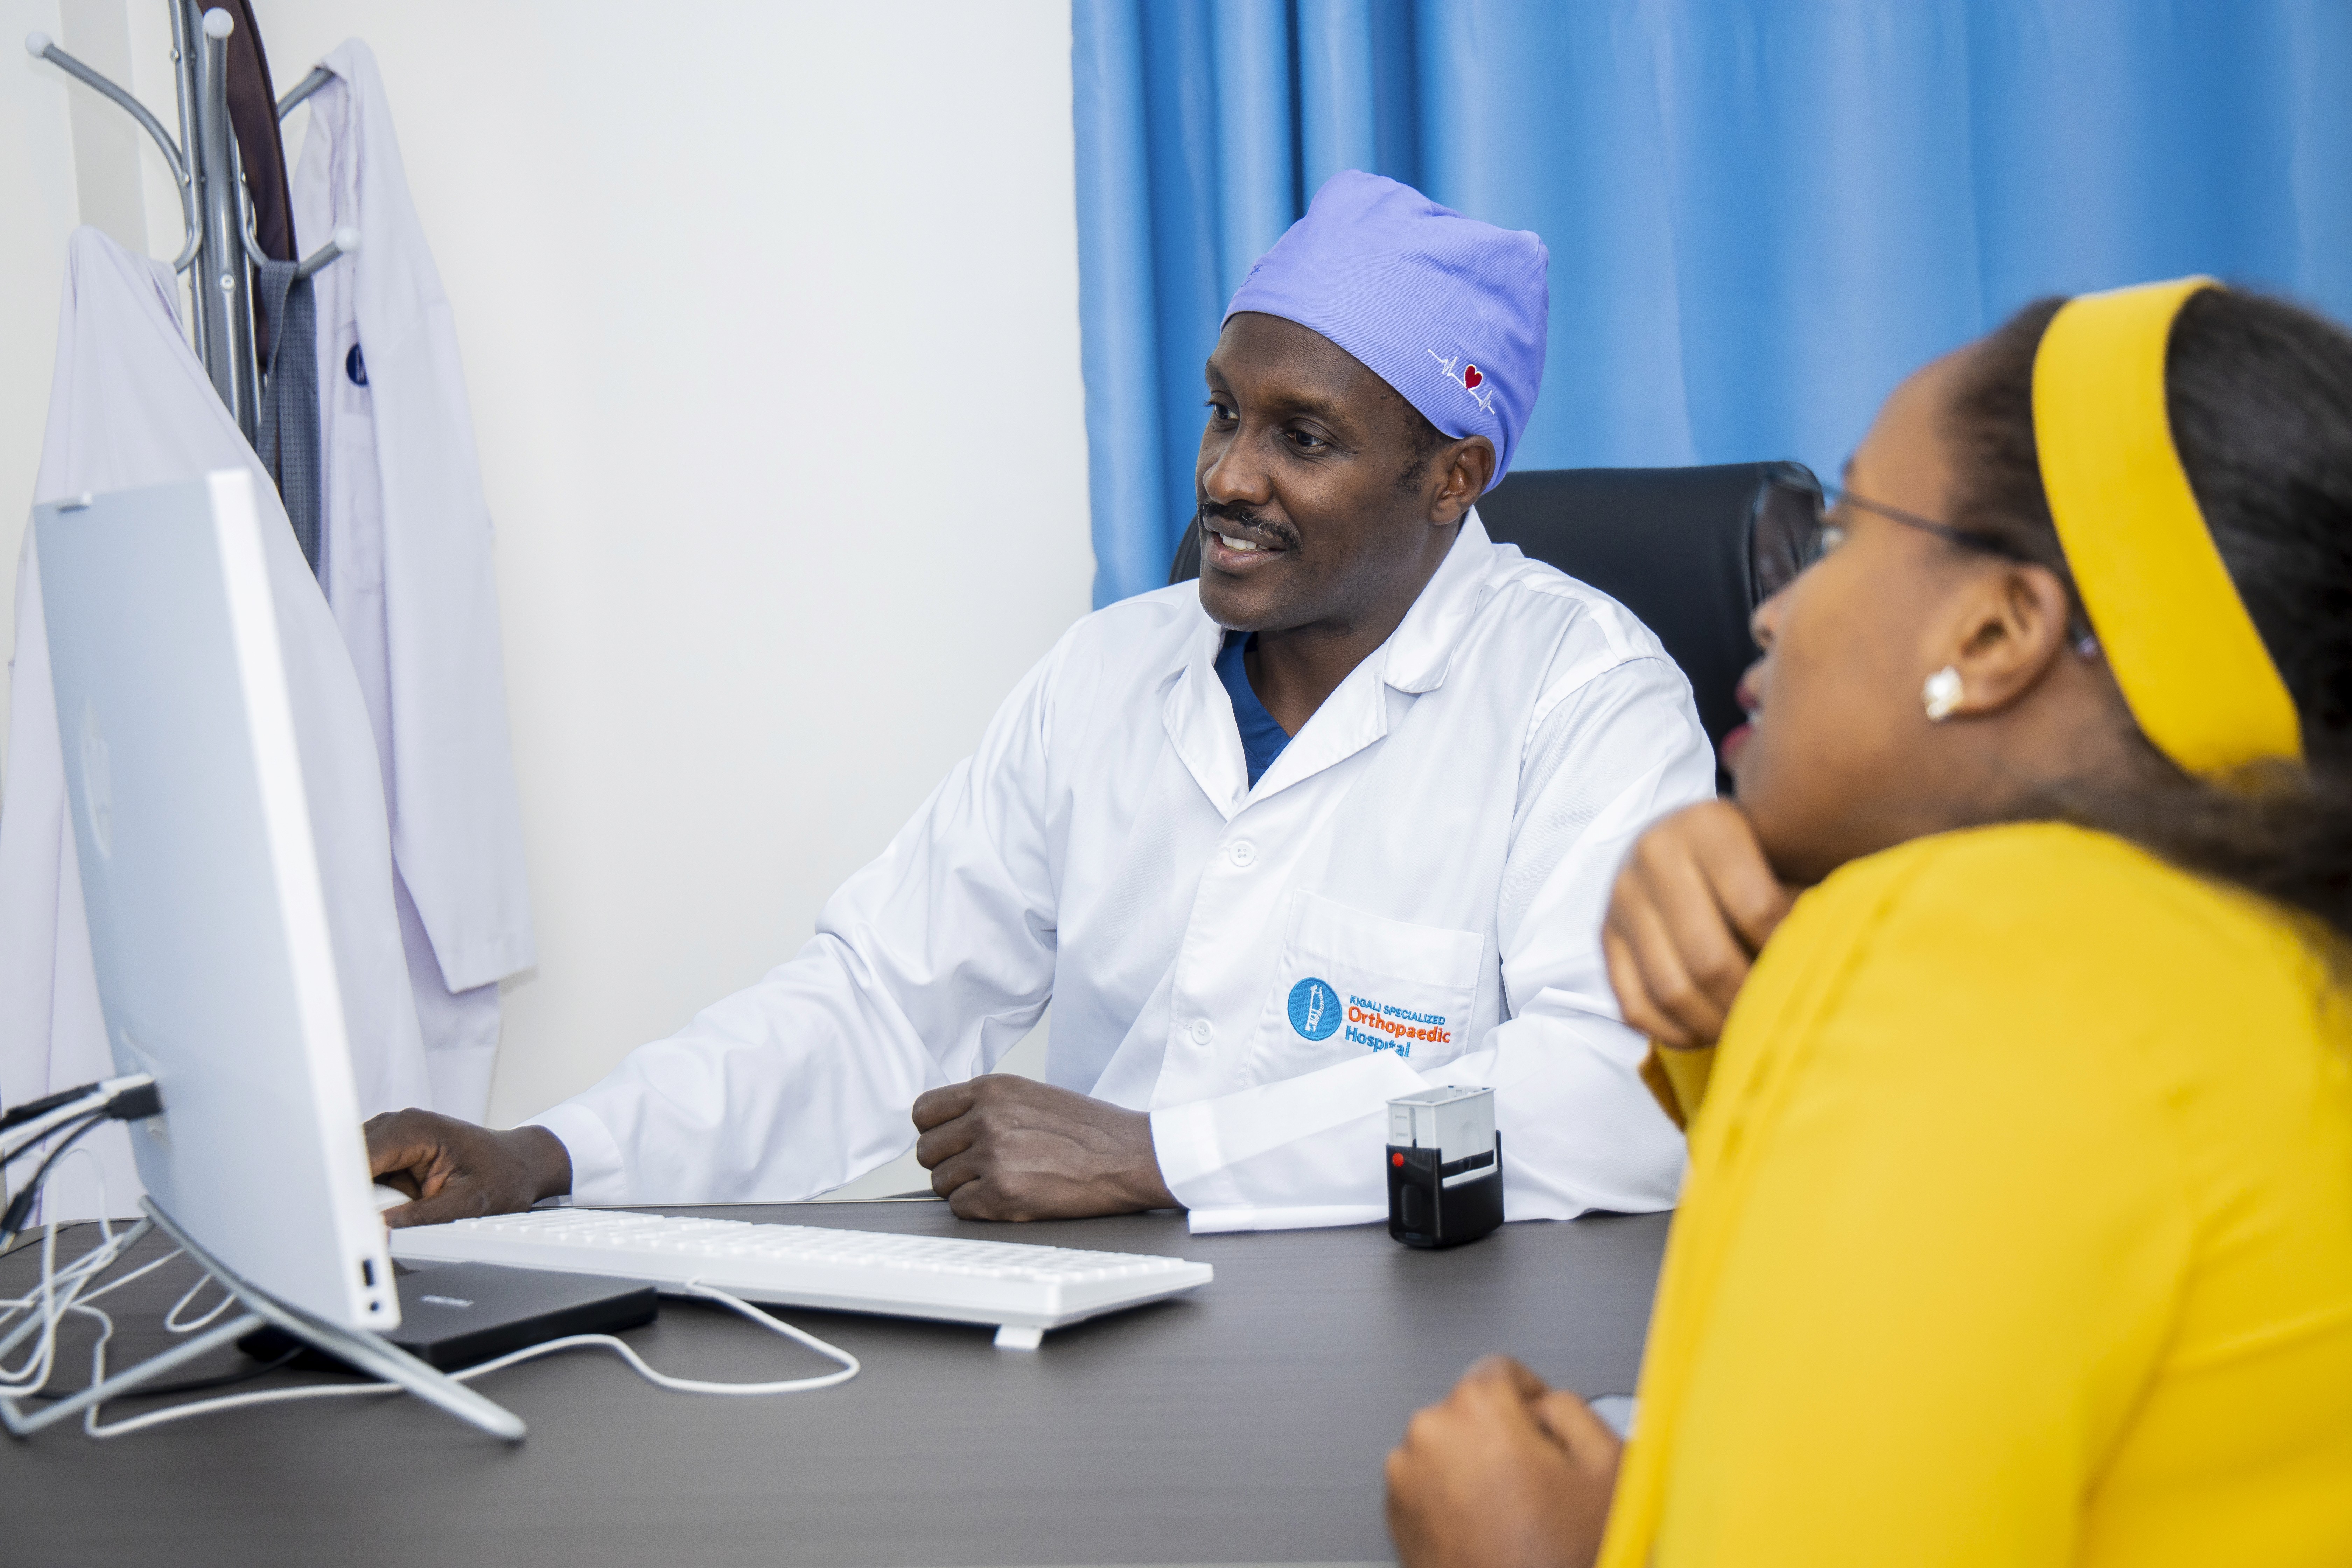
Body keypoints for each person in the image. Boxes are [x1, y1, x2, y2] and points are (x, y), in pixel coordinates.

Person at [366, 171, 1715, 1233]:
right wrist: (551, 1154)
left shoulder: (1585, 702)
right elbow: (879, 1002)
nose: (1229, 478)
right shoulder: (1107, 674)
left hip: (1421, 1357)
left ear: (1452, 476)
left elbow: (1618, 1096)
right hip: (1108, 1335)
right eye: (1222, 414)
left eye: (1300, 438)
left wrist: (1164, 1156)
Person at [1384, 279, 2352, 1565]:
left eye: (1839, 536)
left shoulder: (1978, 968)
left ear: (1999, 629)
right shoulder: (2242, 954)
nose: (1775, 605)